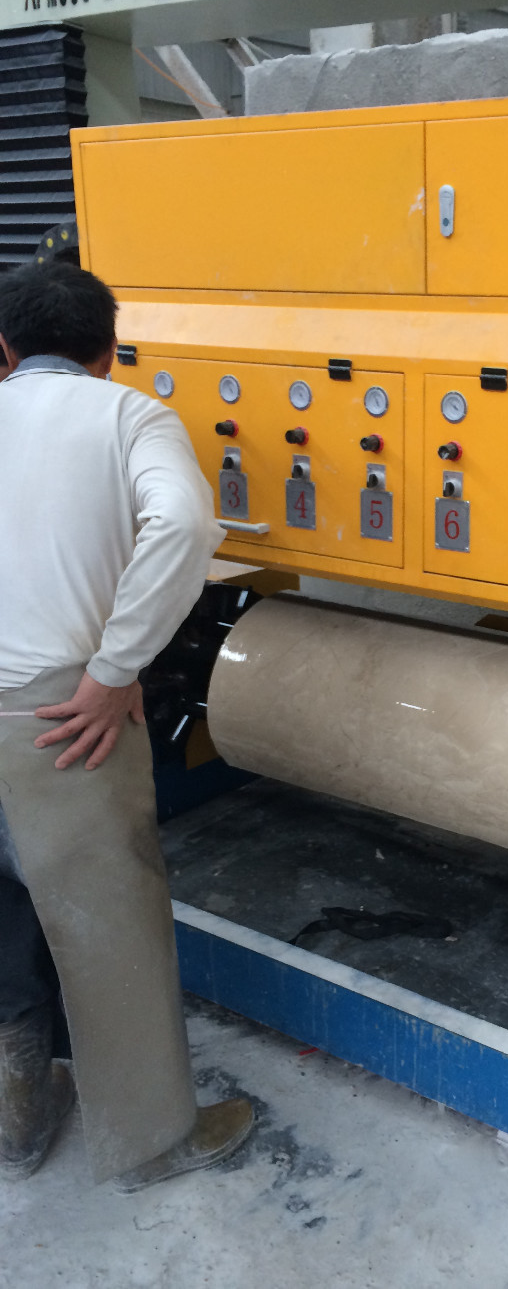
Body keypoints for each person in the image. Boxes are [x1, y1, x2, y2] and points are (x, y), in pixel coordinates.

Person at [0, 262, 254, 1191]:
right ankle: (152, 1140)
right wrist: (115, 670)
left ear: (4, 348)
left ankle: (19, 1115)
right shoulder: (130, 416)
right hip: (58, 717)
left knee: (2, 913)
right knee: (110, 918)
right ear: (110, 351)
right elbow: (183, 525)